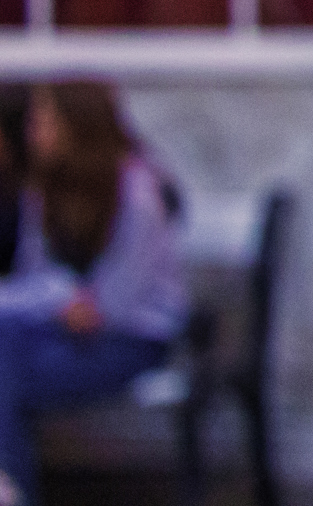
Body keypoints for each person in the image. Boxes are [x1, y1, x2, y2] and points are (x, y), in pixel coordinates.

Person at [0, 80, 186, 506]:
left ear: (77, 126)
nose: (33, 133)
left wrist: (65, 304)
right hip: (56, 335)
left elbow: (114, 306)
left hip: (131, 341)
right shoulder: (41, 190)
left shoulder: (138, 193)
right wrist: (60, 302)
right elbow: (35, 278)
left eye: (45, 122)